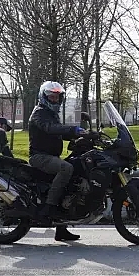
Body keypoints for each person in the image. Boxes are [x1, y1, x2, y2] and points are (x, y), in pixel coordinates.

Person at [29, 81, 86, 241]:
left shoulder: (51, 114)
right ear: (44, 96)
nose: (55, 100)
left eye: (57, 97)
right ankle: (49, 207)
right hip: (39, 157)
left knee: (74, 175)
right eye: (52, 97)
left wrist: (82, 134)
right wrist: (72, 129)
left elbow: (59, 133)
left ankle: (62, 229)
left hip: (51, 156)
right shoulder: (39, 113)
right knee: (66, 168)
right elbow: (49, 128)